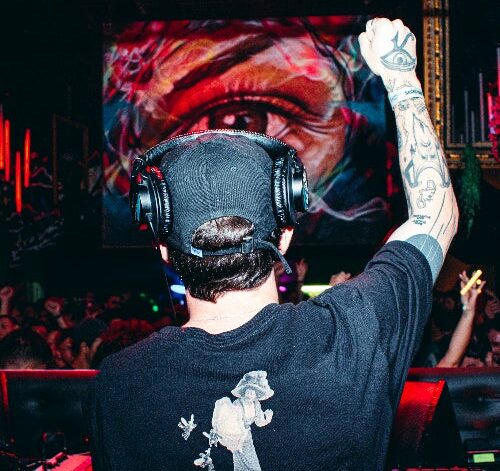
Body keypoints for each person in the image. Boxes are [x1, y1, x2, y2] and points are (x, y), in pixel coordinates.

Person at [88, 18, 458, 470]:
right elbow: (434, 216)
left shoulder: (117, 387)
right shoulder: (351, 334)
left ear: (164, 248)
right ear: (286, 230)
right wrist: (401, 76)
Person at [103, 16, 389, 247]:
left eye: (243, 121)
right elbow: (415, 240)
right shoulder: (360, 306)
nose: (231, 162)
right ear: (285, 236)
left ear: (162, 244)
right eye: (237, 122)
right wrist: (400, 77)